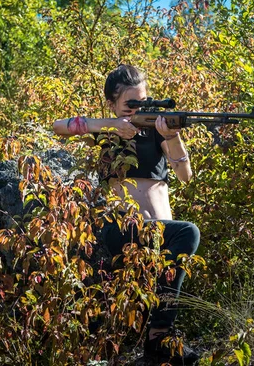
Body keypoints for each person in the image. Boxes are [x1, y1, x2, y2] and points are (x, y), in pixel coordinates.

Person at [53, 64, 200, 364]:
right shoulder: (107, 131)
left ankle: (159, 338)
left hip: (160, 234)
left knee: (185, 234)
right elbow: (59, 126)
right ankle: (159, 336)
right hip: (122, 230)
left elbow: (185, 176)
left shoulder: (157, 129)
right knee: (190, 232)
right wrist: (107, 125)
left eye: (142, 102)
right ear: (112, 104)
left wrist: (171, 136)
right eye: (130, 104)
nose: (138, 109)